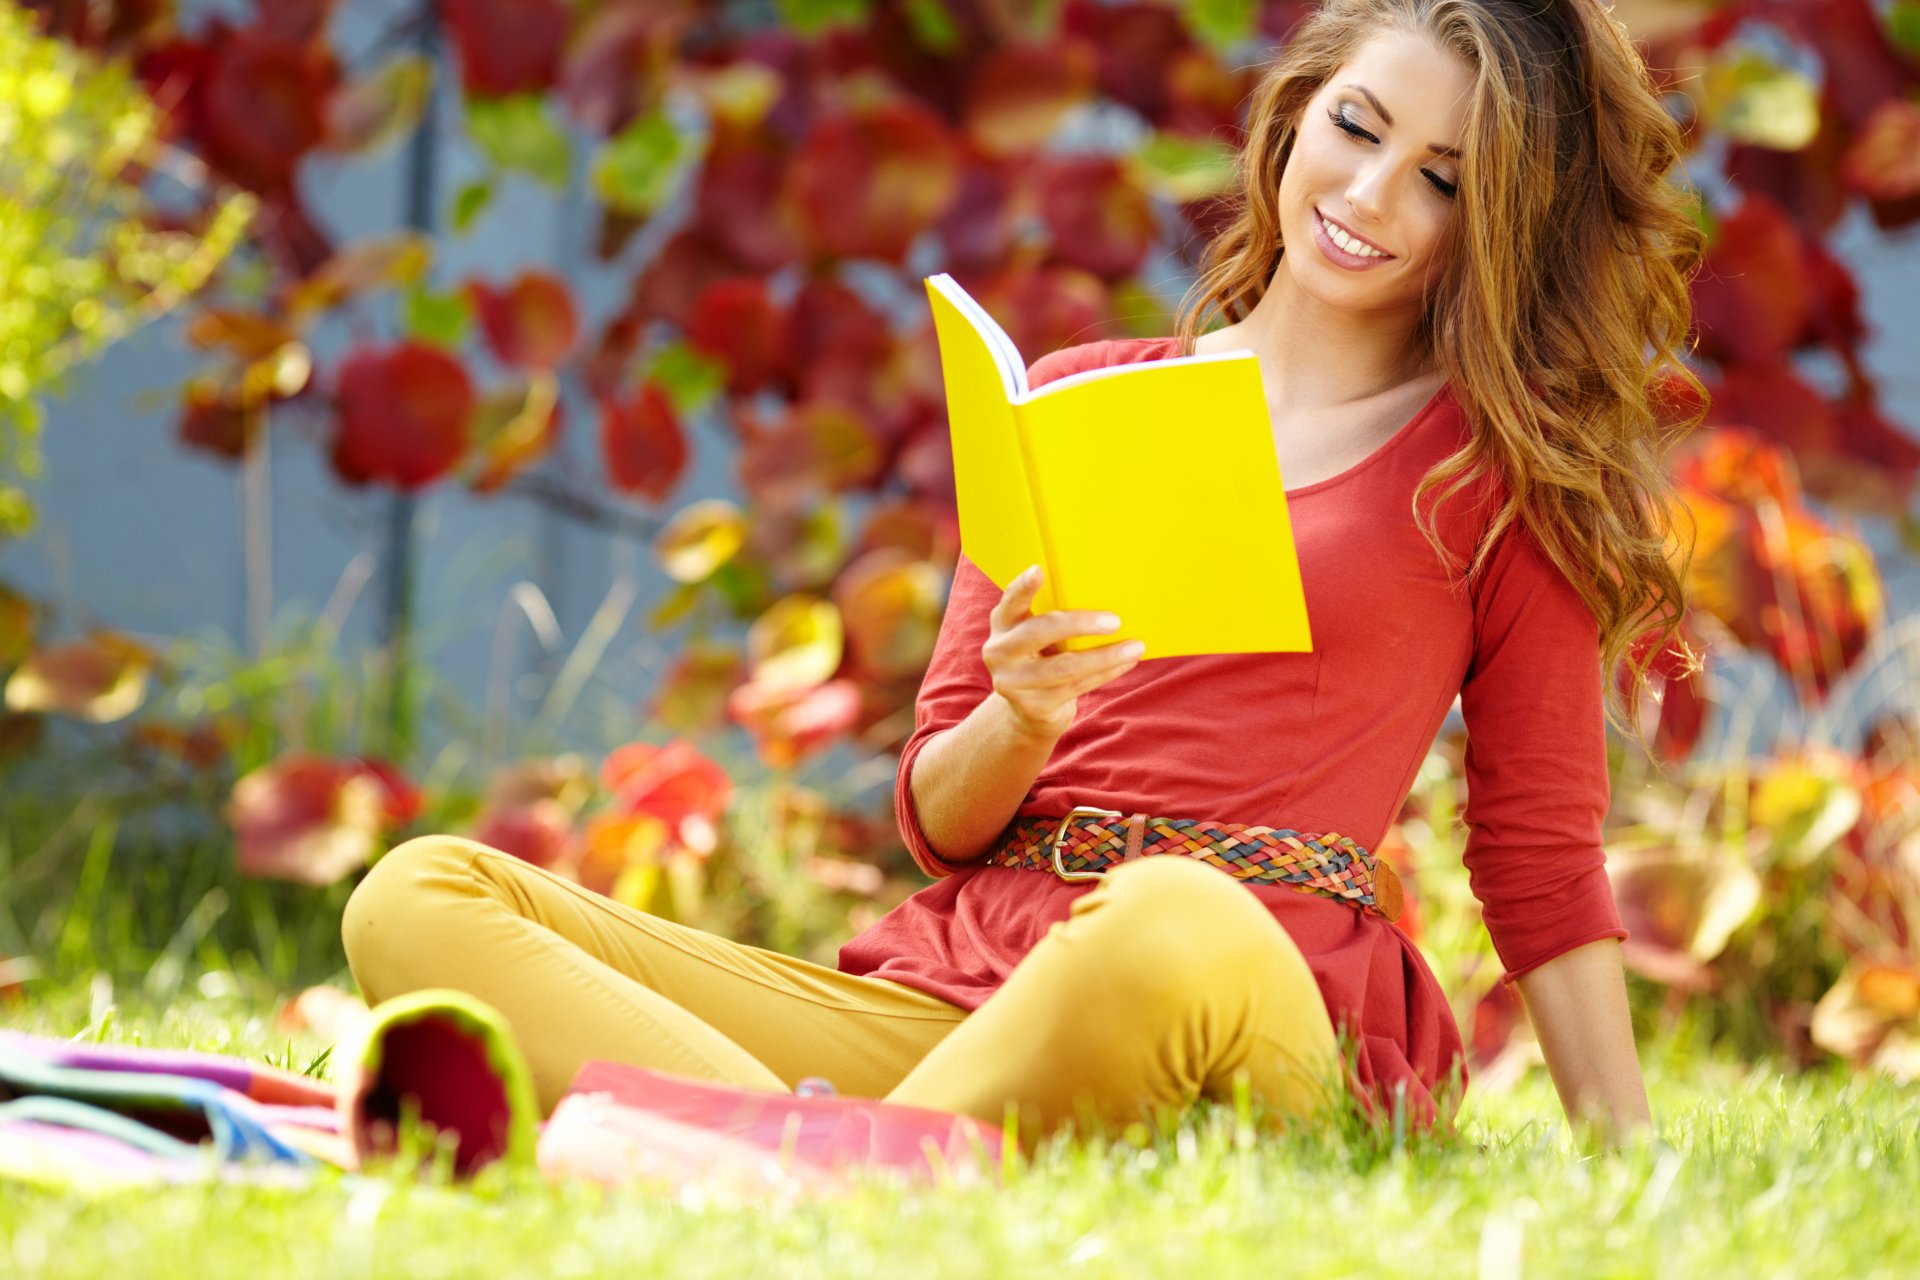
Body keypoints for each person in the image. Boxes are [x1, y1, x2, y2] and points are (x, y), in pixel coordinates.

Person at [342, 0, 1702, 1151]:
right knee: (420, 894)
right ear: (1296, 118)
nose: (1367, 195)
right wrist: (1022, 716)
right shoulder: (1076, 401)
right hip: (966, 989)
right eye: (1357, 129)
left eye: (1443, 179)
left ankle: (765, 1153)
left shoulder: (1496, 480)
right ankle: (829, 1166)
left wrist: (1624, 1155)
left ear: (1498, 221)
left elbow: (1537, 859)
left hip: (1248, 988)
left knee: (1174, 914)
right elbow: (941, 811)